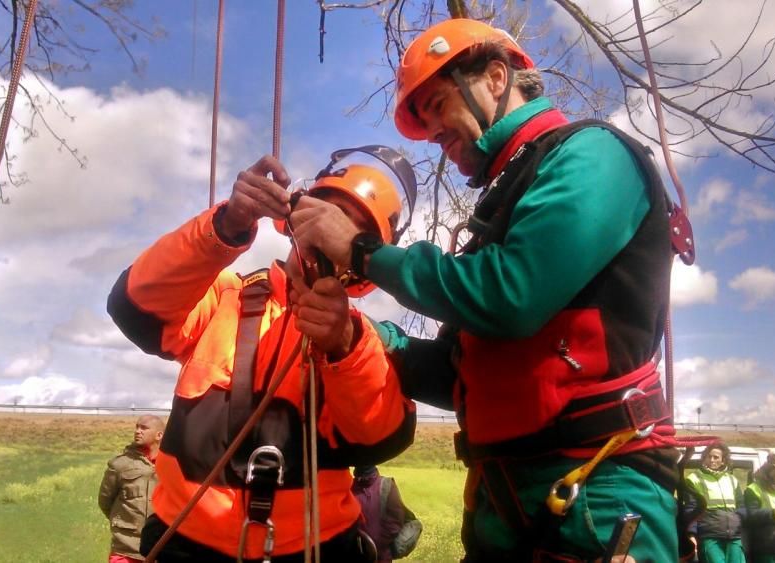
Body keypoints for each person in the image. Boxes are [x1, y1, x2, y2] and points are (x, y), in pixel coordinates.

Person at [287, 17, 682, 562]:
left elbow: (510, 296)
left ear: (496, 78)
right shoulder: (502, 203)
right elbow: (461, 375)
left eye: (438, 107)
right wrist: (358, 333)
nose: (433, 134)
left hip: (597, 487)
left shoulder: (592, 155)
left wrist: (362, 252)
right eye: (422, 122)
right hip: (506, 494)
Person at [106, 150, 417, 562]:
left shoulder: (362, 342)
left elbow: (376, 436)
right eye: (330, 213)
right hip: (185, 543)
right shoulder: (223, 296)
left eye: (352, 230)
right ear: (296, 217)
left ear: (362, 263)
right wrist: (226, 226)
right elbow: (138, 306)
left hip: (315, 547)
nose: (331, 233)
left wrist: (344, 343)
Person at [98, 415, 165, 563]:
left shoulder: (171, 465)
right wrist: (124, 523)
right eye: (137, 427)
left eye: (144, 428)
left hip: (160, 546)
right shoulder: (120, 465)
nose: (138, 431)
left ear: (159, 435)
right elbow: (105, 502)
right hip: (125, 548)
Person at [682, 443, 746, 563]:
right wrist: (691, 534)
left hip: (734, 536)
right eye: (708, 456)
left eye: (716, 457)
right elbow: (691, 509)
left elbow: (741, 507)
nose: (711, 460)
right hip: (710, 536)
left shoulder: (732, 480)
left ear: (723, 460)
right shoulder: (694, 479)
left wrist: (741, 524)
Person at [351, 466, 406, 562]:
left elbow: (395, 522)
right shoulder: (348, 486)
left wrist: (374, 544)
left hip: (380, 557)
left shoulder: (386, 485)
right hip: (352, 555)